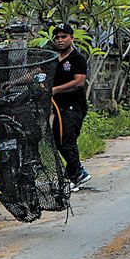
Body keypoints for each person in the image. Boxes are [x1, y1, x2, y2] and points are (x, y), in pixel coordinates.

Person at [47, 24, 91, 189]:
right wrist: (14, 81)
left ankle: (74, 177)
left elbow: (78, 82)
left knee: (67, 141)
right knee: (57, 141)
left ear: (72, 38)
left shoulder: (77, 59)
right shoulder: (53, 59)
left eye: (63, 36)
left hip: (74, 107)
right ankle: (79, 171)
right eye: (57, 37)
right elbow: (37, 73)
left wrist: (56, 90)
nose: (60, 40)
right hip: (60, 107)